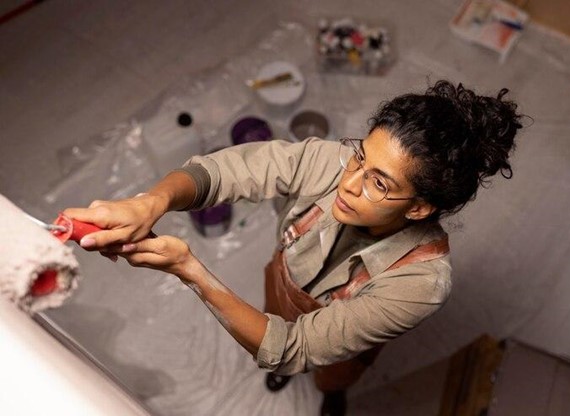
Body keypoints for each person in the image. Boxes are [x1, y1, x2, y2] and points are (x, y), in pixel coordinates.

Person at [64, 80, 522, 416]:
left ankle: (333, 394)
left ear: (420, 209)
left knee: (333, 372)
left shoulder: (420, 284)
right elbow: (227, 171)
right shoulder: (336, 162)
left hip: (327, 341)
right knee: (270, 319)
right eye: (361, 155)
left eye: (378, 182)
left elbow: (292, 347)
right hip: (281, 286)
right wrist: (152, 201)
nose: (348, 183)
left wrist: (192, 270)